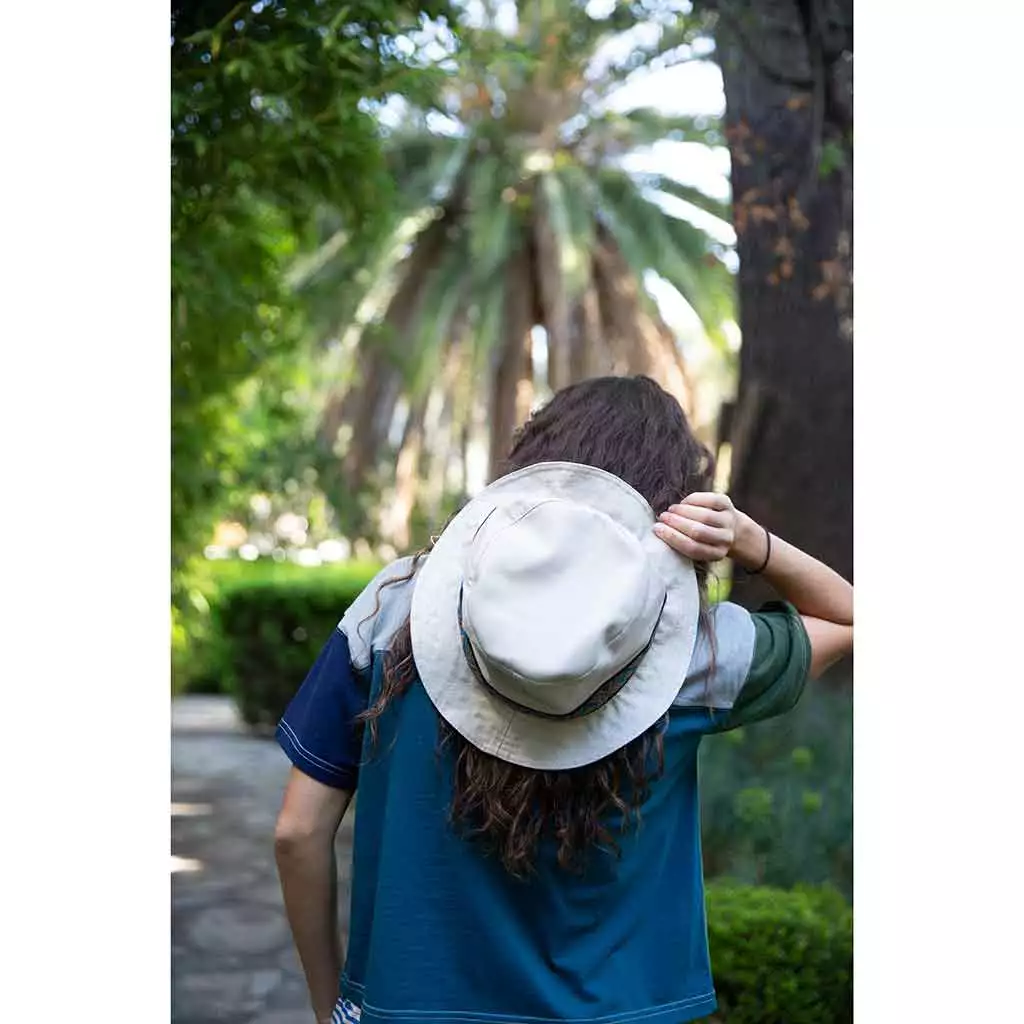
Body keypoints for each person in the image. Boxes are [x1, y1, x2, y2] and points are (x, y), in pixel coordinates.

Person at [273, 375, 853, 1024]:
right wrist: (750, 541)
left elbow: (298, 832)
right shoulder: (690, 652)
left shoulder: (396, 609)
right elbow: (851, 616)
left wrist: (331, 1005)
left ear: (532, 469)